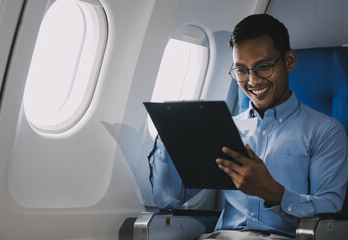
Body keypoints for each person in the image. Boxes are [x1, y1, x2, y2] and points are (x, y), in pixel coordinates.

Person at [147, 14, 348, 239]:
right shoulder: (225, 128)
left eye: (263, 67)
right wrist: (168, 137)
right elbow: (169, 201)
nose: (252, 81)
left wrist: (273, 191)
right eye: (241, 70)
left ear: (289, 60)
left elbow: (330, 210)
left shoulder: (325, 131)